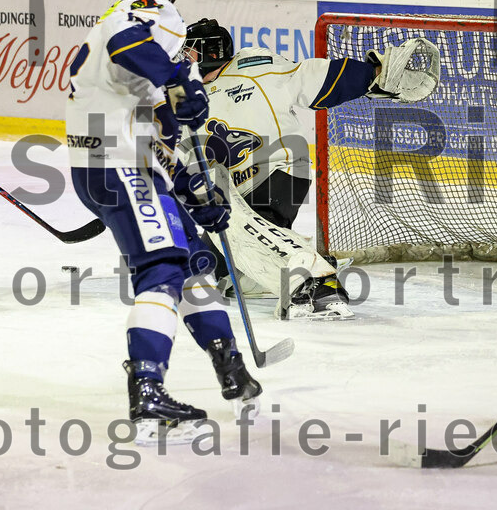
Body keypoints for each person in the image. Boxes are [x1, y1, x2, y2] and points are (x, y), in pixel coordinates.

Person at [66, 0, 261, 444]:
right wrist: (179, 78)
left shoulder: (138, 31)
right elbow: (127, 44)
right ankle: (148, 387)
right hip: (118, 164)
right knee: (162, 271)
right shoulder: (142, 12)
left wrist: (192, 189)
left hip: (120, 165)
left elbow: (162, 123)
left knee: (195, 258)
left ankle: (229, 364)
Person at [180, 18, 440, 320]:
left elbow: (313, 78)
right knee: (211, 271)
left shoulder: (255, 66)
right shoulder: (185, 95)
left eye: (190, 52)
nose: (184, 59)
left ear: (210, 51)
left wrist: (374, 74)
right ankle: (286, 258)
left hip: (276, 173)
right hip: (234, 189)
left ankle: (317, 281)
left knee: (230, 223)